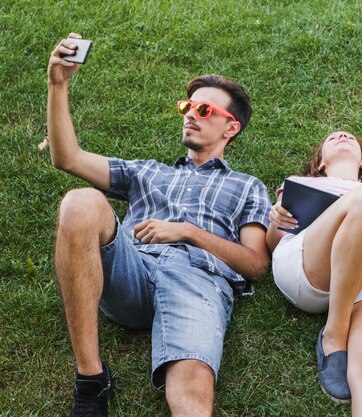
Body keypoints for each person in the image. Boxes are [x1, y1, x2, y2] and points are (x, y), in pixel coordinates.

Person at [48, 33, 271, 417]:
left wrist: (189, 232)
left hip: (198, 280)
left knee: (192, 395)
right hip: (131, 267)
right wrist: (57, 84)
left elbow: (256, 264)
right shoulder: (147, 172)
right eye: (188, 106)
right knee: (79, 202)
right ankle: (91, 378)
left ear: (230, 128)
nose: (189, 114)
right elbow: (66, 157)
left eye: (204, 110)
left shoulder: (248, 186)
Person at [266, 131, 362, 416]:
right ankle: (334, 335)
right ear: (321, 163)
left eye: (349, 137)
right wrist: (276, 219)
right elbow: (274, 242)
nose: (341, 136)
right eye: (332, 138)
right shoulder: (303, 183)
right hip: (308, 266)